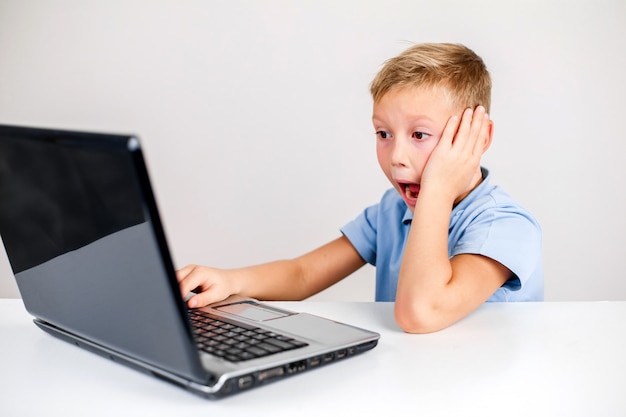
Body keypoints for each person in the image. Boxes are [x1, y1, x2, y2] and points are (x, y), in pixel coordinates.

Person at [177, 43, 543, 334]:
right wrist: (230, 280)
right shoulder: (392, 211)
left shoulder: (504, 227)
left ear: (477, 139)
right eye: (383, 134)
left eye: (419, 135)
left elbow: (420, 313)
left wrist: (437, 188)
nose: (397, 156)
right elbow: (304, 273)